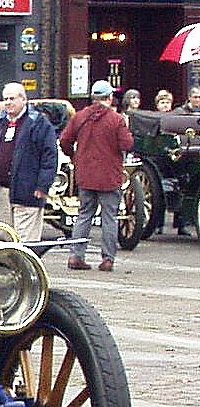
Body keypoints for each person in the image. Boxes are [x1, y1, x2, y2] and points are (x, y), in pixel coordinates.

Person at [59, 79, 133, 272]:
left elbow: (64, 140)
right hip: (109, 175)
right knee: (109, 217)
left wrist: (74, 156)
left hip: (85, 174)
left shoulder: (80, 116)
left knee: (84, 215)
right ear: (109, 98)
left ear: (93, 98)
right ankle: (107, 259)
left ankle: (76, 255)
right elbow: (127, 144)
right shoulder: (116, 119)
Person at [0, 82, 58, 242]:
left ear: (23, 99)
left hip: (28, 190)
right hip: (2, 191)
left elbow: (50, 157)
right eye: (5, 98)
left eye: (12, 98)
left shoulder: (39, 124)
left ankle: (25, 267)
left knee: (25, 240)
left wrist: (43, 186)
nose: (8, 102)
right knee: (6, 236)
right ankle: (12, 267)